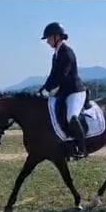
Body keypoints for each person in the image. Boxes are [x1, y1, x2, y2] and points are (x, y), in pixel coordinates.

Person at [38, 22, 88, 159]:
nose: (47, 41)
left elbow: (62, 75)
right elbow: (52, 75)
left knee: (71, 116)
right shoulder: (56, 54)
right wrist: (42, 90)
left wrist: (48, 90)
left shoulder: (66, 52)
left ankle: (82, 148)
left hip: (75, 91)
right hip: (64, 92)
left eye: (48, 38)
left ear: (56, 36)